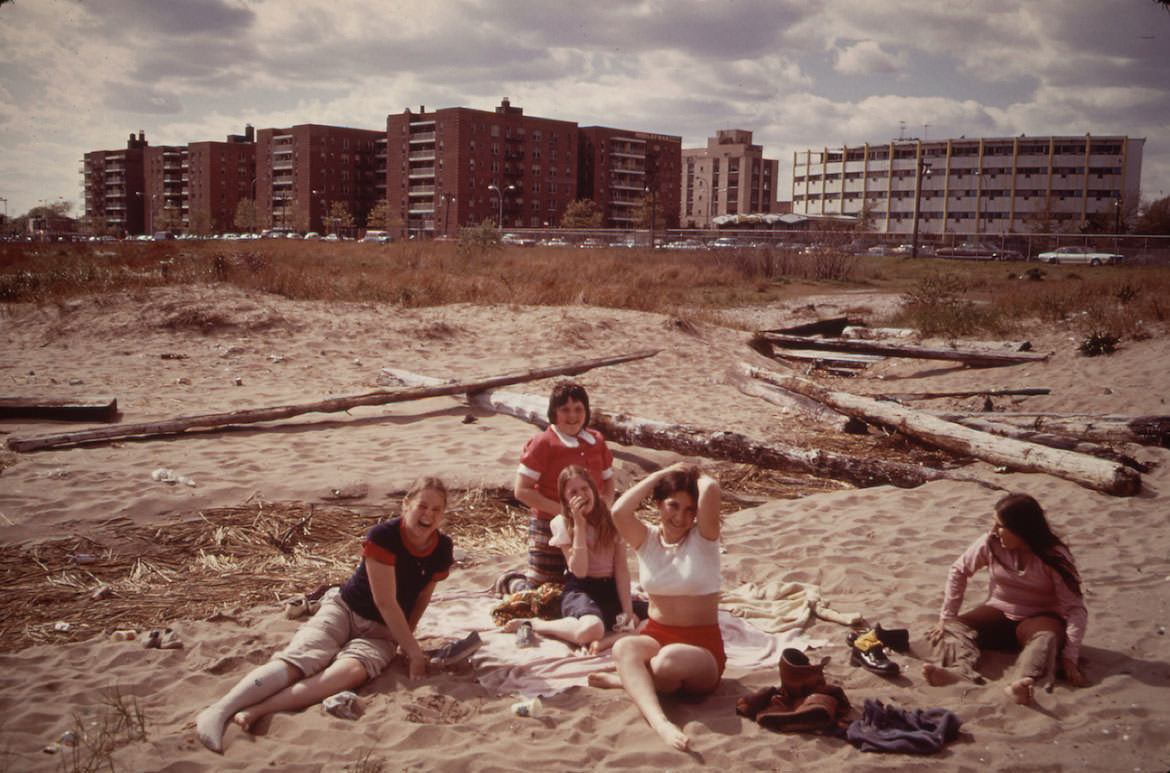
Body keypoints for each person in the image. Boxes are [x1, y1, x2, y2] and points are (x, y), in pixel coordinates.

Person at [195, 477, 454, 753]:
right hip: (346, 610)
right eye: (422, 506)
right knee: (299, 661)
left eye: (437, 509)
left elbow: (422, 597)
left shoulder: (442, 548)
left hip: (382, 631)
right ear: (406, 505)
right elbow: (385, 601)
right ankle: (220, 710)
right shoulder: (383, 536)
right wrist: (414, 652)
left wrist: (404, 639)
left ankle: (260, 709)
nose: (428, 515)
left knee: (349, 673)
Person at [589, 463, 724, 751]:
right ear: (659, 504)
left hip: (702, 648)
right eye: (673, 506)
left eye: (690, 510)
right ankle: (659, 720)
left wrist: (692, 472)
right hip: (656, 635)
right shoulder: (646, 540)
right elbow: (618, 511)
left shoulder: (704, 539)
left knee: (667, 663)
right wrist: (658, 476)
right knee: (623, 648)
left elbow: (711, 489)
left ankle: (632, 680)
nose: (681, 517)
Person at [923, 493, 1088, 705]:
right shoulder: (990, 543)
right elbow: (958, 570)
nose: (993, 531)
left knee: (1046, 638)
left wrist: (1069, 657)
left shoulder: (1054, 556)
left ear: (1021, 529)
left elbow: (1075, 609)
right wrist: (947, 616)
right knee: (953, 627)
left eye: (1000, 526)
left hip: (1038, 619)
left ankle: (1020, 684)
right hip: (998, 613)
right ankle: (960, 672)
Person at [502, 465, 642, 653]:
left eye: (585, 489)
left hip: (610, 589)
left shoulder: (611, 519)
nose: (582, 495)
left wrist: (627, 610)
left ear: (593, 489)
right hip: (581, 590)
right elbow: (580, 571)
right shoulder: (562, 523)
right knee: (592, 630)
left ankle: (615, 637)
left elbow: (621, 568)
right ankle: (536, 624)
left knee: (655, 619)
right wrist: (580, 527)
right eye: (573, 492)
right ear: (566, 500)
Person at [513, 381, 615, 588]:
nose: (572, 416)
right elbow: (522, 491)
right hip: (550, 523)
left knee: (589, 580)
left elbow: (608, 479)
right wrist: (566, 512)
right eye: (565, 410)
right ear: (553, 413)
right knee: (542, 587)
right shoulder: (543, 443)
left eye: (578, 409)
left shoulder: (596, 440)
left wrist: (604, 506)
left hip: (591, 523)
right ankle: (509, 582)